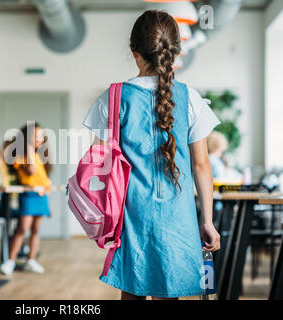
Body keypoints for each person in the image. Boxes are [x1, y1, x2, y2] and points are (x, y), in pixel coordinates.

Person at [82, 10, 221, 300]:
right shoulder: (190, 98)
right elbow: (201, 164)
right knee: (167, 290)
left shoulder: (113, 97)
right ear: (175, 51)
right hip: (177, 217)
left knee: (131, 290)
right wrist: (207, 220)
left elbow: (98, 161)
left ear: (135, 52)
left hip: (131, 215)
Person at [0, 122, 51, 275]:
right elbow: (30, 171)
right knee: (23, 228)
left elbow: (42, 177)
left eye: (41, 136)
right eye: (36, 136)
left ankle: (31, 259)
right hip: (28, 196)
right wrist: (27, 147)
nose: (39, 139)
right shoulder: (20, 157)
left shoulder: (38, 156)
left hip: (41, 195)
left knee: (36, 229)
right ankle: (10, 261)